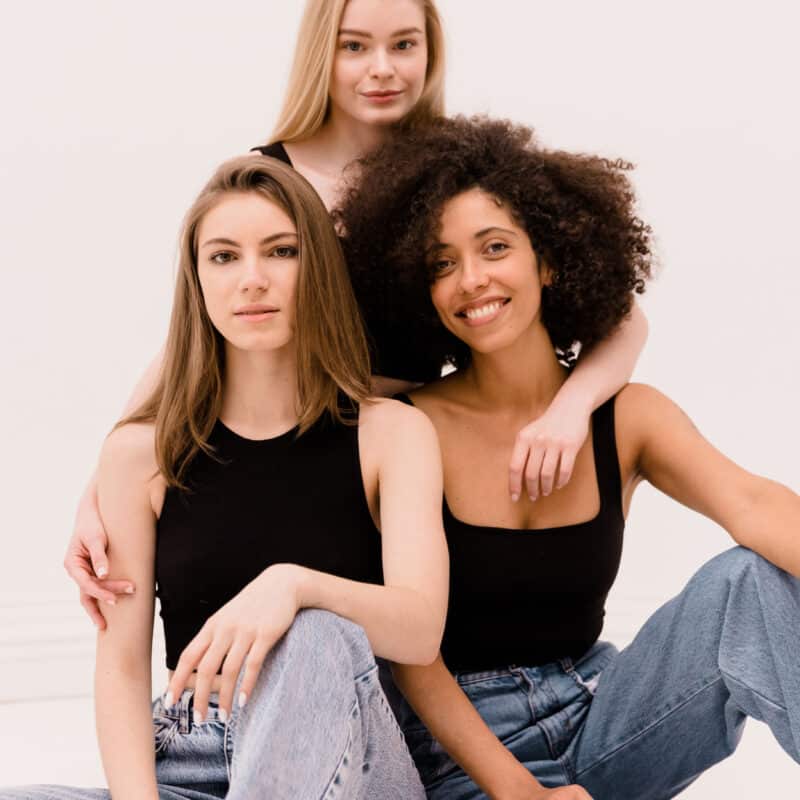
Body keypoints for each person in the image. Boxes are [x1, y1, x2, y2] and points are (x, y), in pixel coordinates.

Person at [64, 0, 649, 626]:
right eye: (354, 47)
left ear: (431, 53)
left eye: (404, 45)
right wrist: (101, 486)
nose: (382, 70)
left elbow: (622, 317)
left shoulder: (448, 175)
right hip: (307, 451)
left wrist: (568, 412)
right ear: (322, 54)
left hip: (405, 450)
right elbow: (192, 344)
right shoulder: (271, 179)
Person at [335, 115, 800, 800]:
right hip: (461, 756)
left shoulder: (627, 416)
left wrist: (571, 411)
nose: (471, 280)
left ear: (548, 259)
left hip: (605, 717)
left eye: (495, 248)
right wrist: (519, 791)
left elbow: (754, 504)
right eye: (442, 263)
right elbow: (412, 658)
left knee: (748, 583)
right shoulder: (404, 429)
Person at [3, 155, 448, 799]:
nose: (253, 279)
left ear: (316, 267)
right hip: (193, 751)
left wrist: (293, 587)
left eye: (281, 251)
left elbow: (420, 628)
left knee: (316, 632)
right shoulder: (139, 455)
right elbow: (122, 669)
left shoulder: (392, 435)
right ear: (198, 281)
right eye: (223, 257)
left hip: (351, 755)